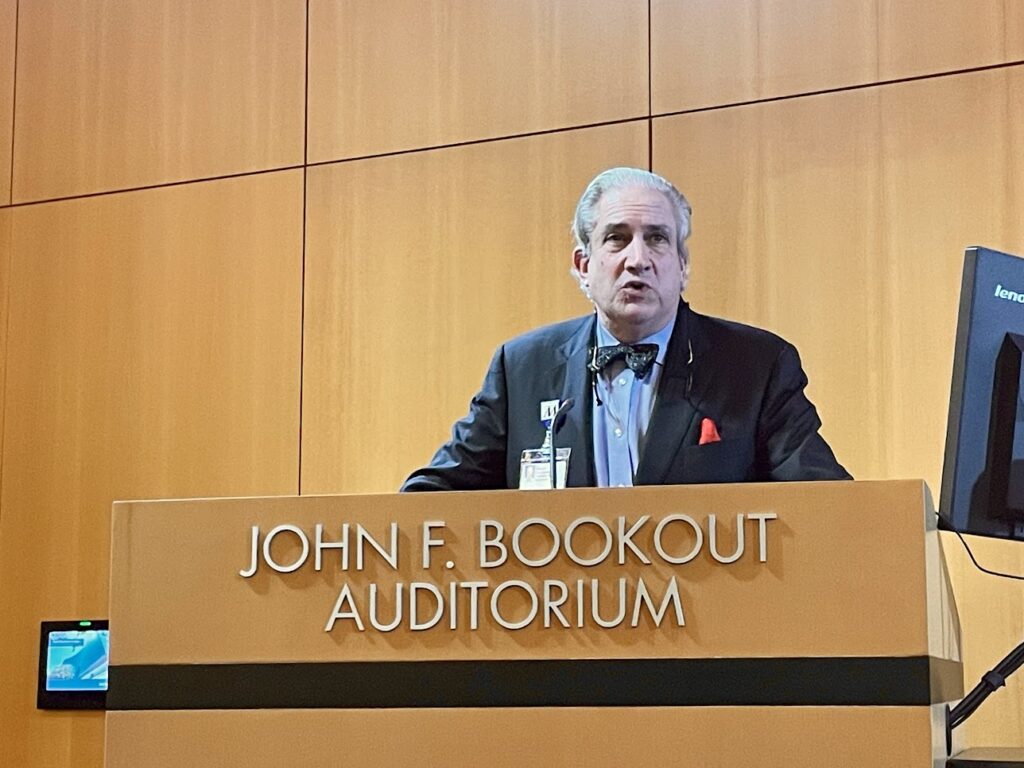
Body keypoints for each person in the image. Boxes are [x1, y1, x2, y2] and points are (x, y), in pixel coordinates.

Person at [401, 167, 850, 491]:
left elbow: (823, 502)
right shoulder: (522, 368)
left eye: (656, 237)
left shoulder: (755, 366)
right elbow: (435, 497)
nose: (638, 259)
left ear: (683, 265)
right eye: (616, 237)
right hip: (566, 616)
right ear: (583, 265)